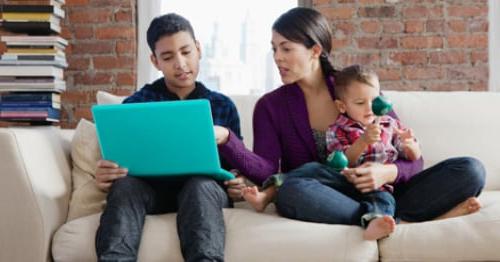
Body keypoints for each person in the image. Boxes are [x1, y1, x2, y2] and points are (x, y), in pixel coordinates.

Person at [220, 7, 485, 232]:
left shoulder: (358, 89)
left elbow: (412, 158)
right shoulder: (270, 106)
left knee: (471, 170)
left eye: (286, 48)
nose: (277, 57)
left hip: (386, 189)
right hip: (329, 196)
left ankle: (382, 218)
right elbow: (267, 170)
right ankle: (387, 220)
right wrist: (226, 139)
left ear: (315, 50)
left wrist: (386, 172)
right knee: (290, 191)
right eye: (274, 48)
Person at [94, 13, 249, 262]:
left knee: (200, 185)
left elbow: (237, 167)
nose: (180, 63)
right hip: (151, 191)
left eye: (186, 52)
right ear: (155, 61)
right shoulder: (135, 105)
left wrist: (238, 182)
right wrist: (105, 174)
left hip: (203, 192)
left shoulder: (222, 106)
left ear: (198, 49)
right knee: (125, 186)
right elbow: (118, 160)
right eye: (168, 57)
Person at [242, 65, 422, 240]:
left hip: (377, 186)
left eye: (374, 101)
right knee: (312, 169)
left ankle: (374, 222)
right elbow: (343, 161)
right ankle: (271, 190)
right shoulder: (338, 129)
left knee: (384, 200)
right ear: (342, 106)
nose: (369, 108)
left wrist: (410, 145)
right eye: (360, 103)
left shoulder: (389, 124)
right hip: (342, 182)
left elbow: (414, 158)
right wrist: (363, 141)